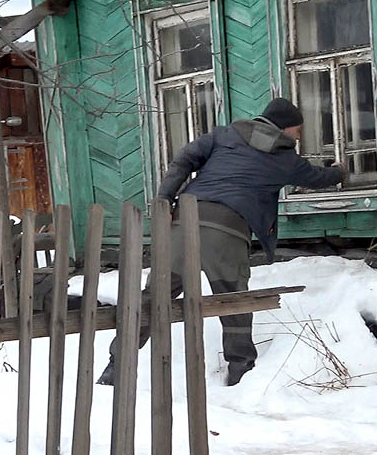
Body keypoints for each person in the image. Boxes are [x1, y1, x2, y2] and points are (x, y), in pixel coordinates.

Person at [98, 98, 345, 387]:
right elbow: (319, 178)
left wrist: (165, 197)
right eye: (298, 130)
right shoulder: (287, 159)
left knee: (154, 298)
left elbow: (184, 159)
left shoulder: (223, 135)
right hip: (229, 231)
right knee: (233, 301)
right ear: (285, 127)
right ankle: (240, 370)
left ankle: (115, 366)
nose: (299, 137)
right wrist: (340, 170)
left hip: (184, 224)